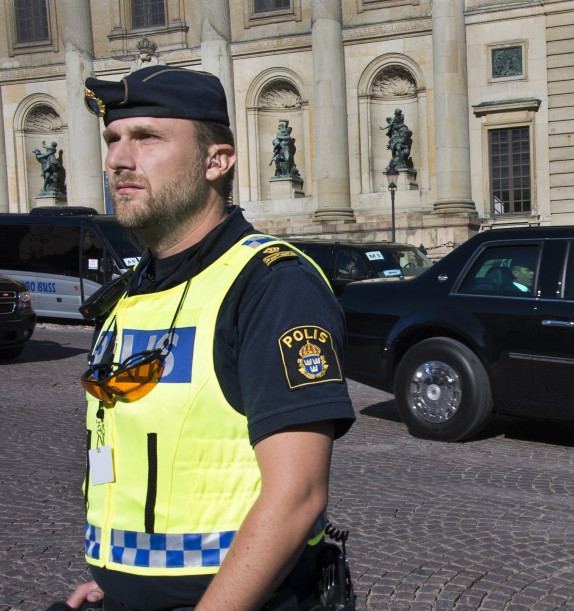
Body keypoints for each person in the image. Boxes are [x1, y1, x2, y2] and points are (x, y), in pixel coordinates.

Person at [61, 65, 355, 610]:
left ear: (216, 161)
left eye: (147, 137)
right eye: (113, 139)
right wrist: (123, 585)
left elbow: (298, 496)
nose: (119, 159)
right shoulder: (132, 291)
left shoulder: (270, 283)